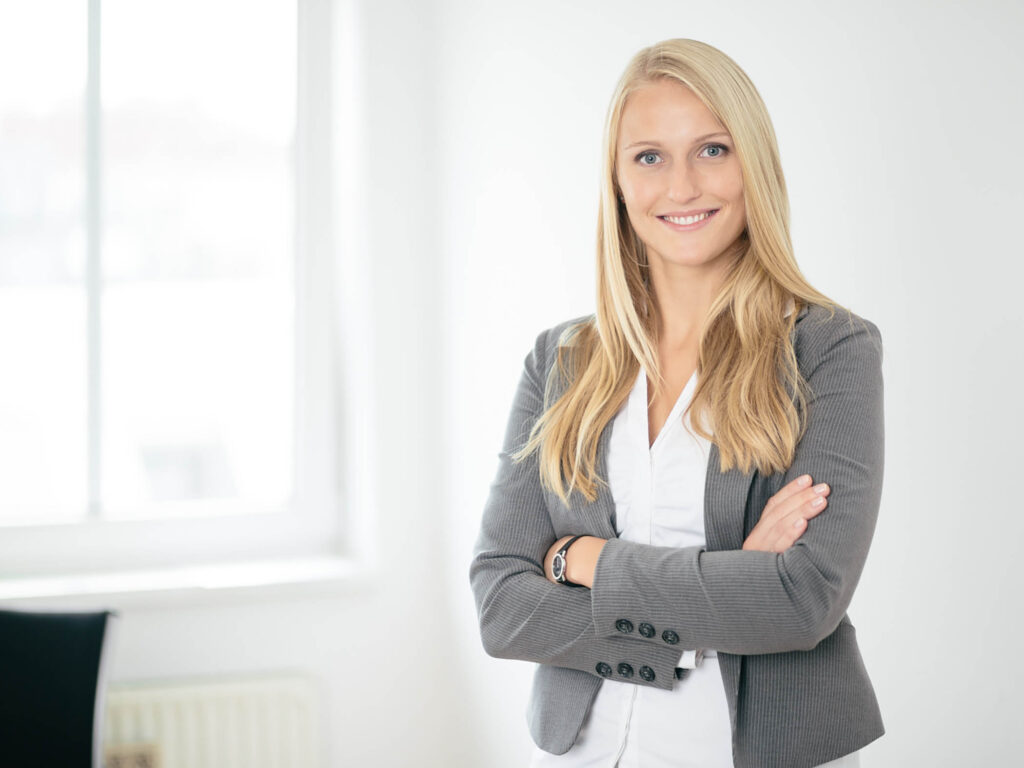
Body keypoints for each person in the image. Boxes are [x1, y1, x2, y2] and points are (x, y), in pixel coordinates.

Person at [469, 38, 884, 768]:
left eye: (713, 150)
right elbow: (502, 607)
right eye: (650, 157)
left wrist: (584, 559)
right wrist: (726, 583)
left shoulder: (830, 348)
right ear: (618, 182)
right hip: (584, 753)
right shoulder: (561, 360)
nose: (682, 186)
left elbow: (802, 598)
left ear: (753, 163)